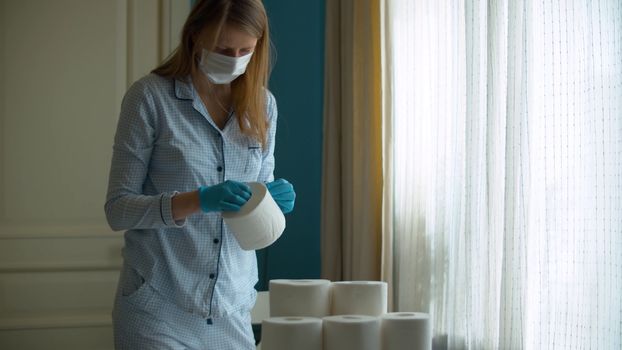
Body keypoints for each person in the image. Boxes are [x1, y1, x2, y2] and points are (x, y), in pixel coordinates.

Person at [104, 0, 295, 348]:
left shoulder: (264, 106)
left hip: (232, 308)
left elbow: (258, 191)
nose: (234, 58)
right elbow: (118, 210)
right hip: (159, 307)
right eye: (223, 49)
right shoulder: (149, 99)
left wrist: (270, 199)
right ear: (194, 36)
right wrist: (197, 201)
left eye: (245, 50)